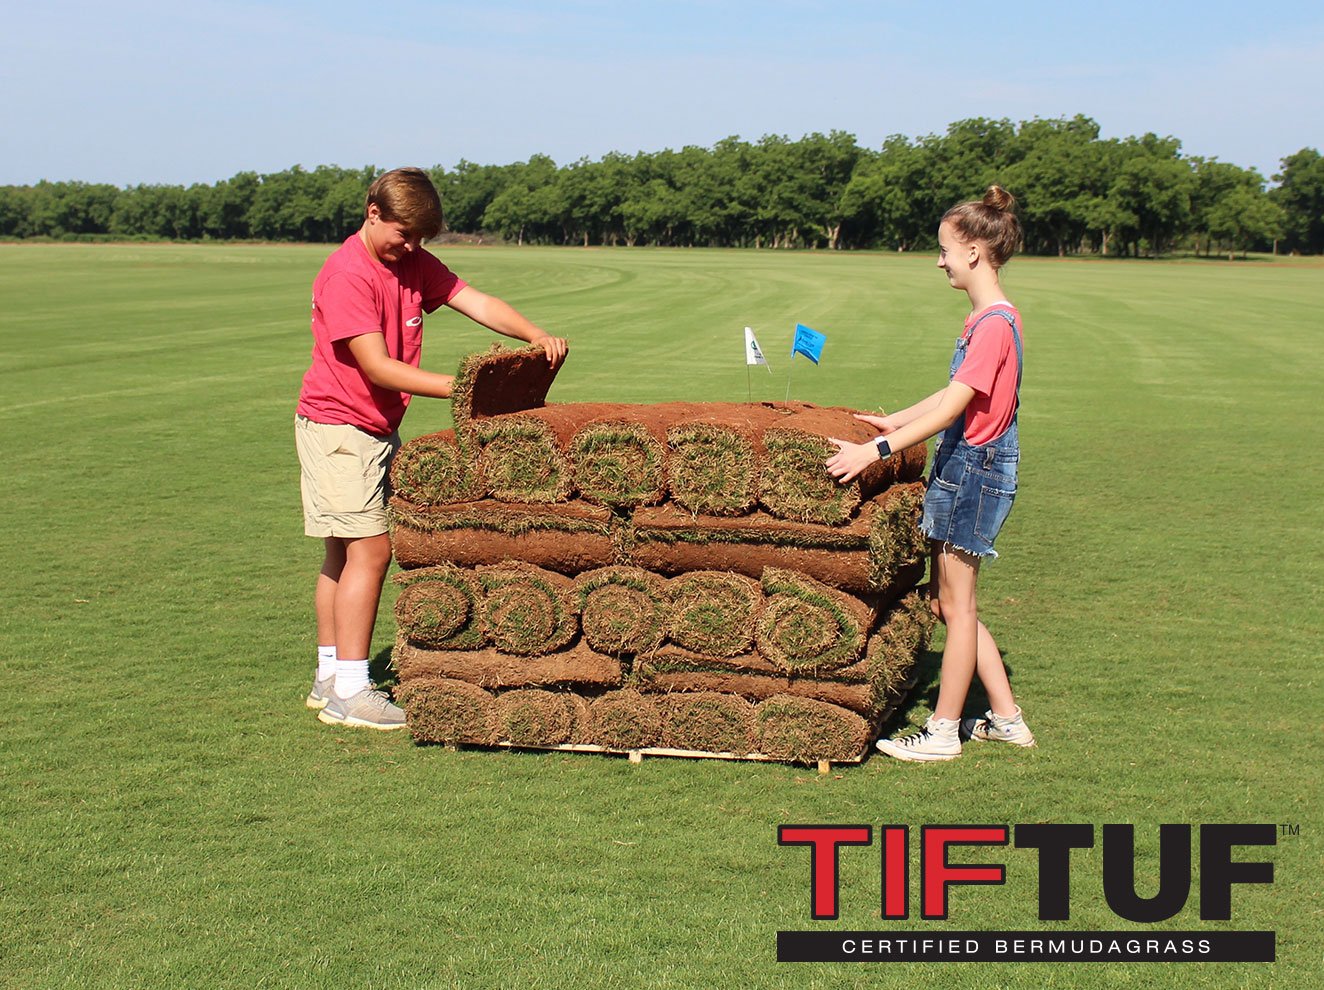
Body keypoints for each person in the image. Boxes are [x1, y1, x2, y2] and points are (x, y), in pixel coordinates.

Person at [295, 167, 567, 729]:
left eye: (421, 239)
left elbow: (476, 301)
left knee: (343, 554)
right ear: (374, 214)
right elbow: (376, 366)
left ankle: (329, 676)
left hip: (369, 426)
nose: (412, 248)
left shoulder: (411, 261)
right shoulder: (349, 273)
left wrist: (534, 336)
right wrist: (467, 388)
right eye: (403, 234)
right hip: (340, 427)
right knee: (369, 552)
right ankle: (352, 690)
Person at [826, 185, 1033, 762]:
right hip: (964, 466)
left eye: (944, 249)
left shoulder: (994, 324)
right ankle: (1007, 718)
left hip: (975, 473)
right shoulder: (986, 320)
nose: (938, 260)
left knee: (958, 607)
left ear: (973, 251)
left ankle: (943, 732)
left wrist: (876, 450)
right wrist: (895, 418)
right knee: (949, 605)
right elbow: (954, 395)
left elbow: (951, 411)